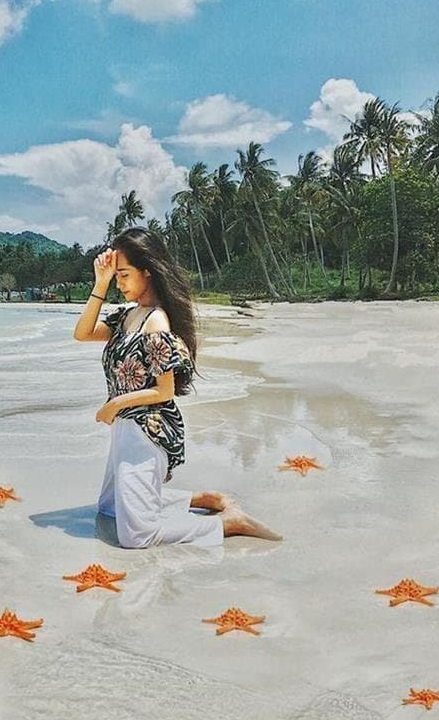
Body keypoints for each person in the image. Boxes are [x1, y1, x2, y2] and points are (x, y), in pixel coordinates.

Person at [73, 227, 282, 548]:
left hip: (147, 431)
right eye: (118, 275)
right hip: (125, 428)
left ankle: (230, 523)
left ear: (148, 272)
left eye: (124, 274)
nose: (120, 283)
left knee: (136, 536)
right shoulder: (129, 317)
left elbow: (164, 391)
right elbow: (83, 333)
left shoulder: (156, 321)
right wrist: (100, 283)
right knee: (109, 508)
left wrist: (114, 404)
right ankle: (205, 499)